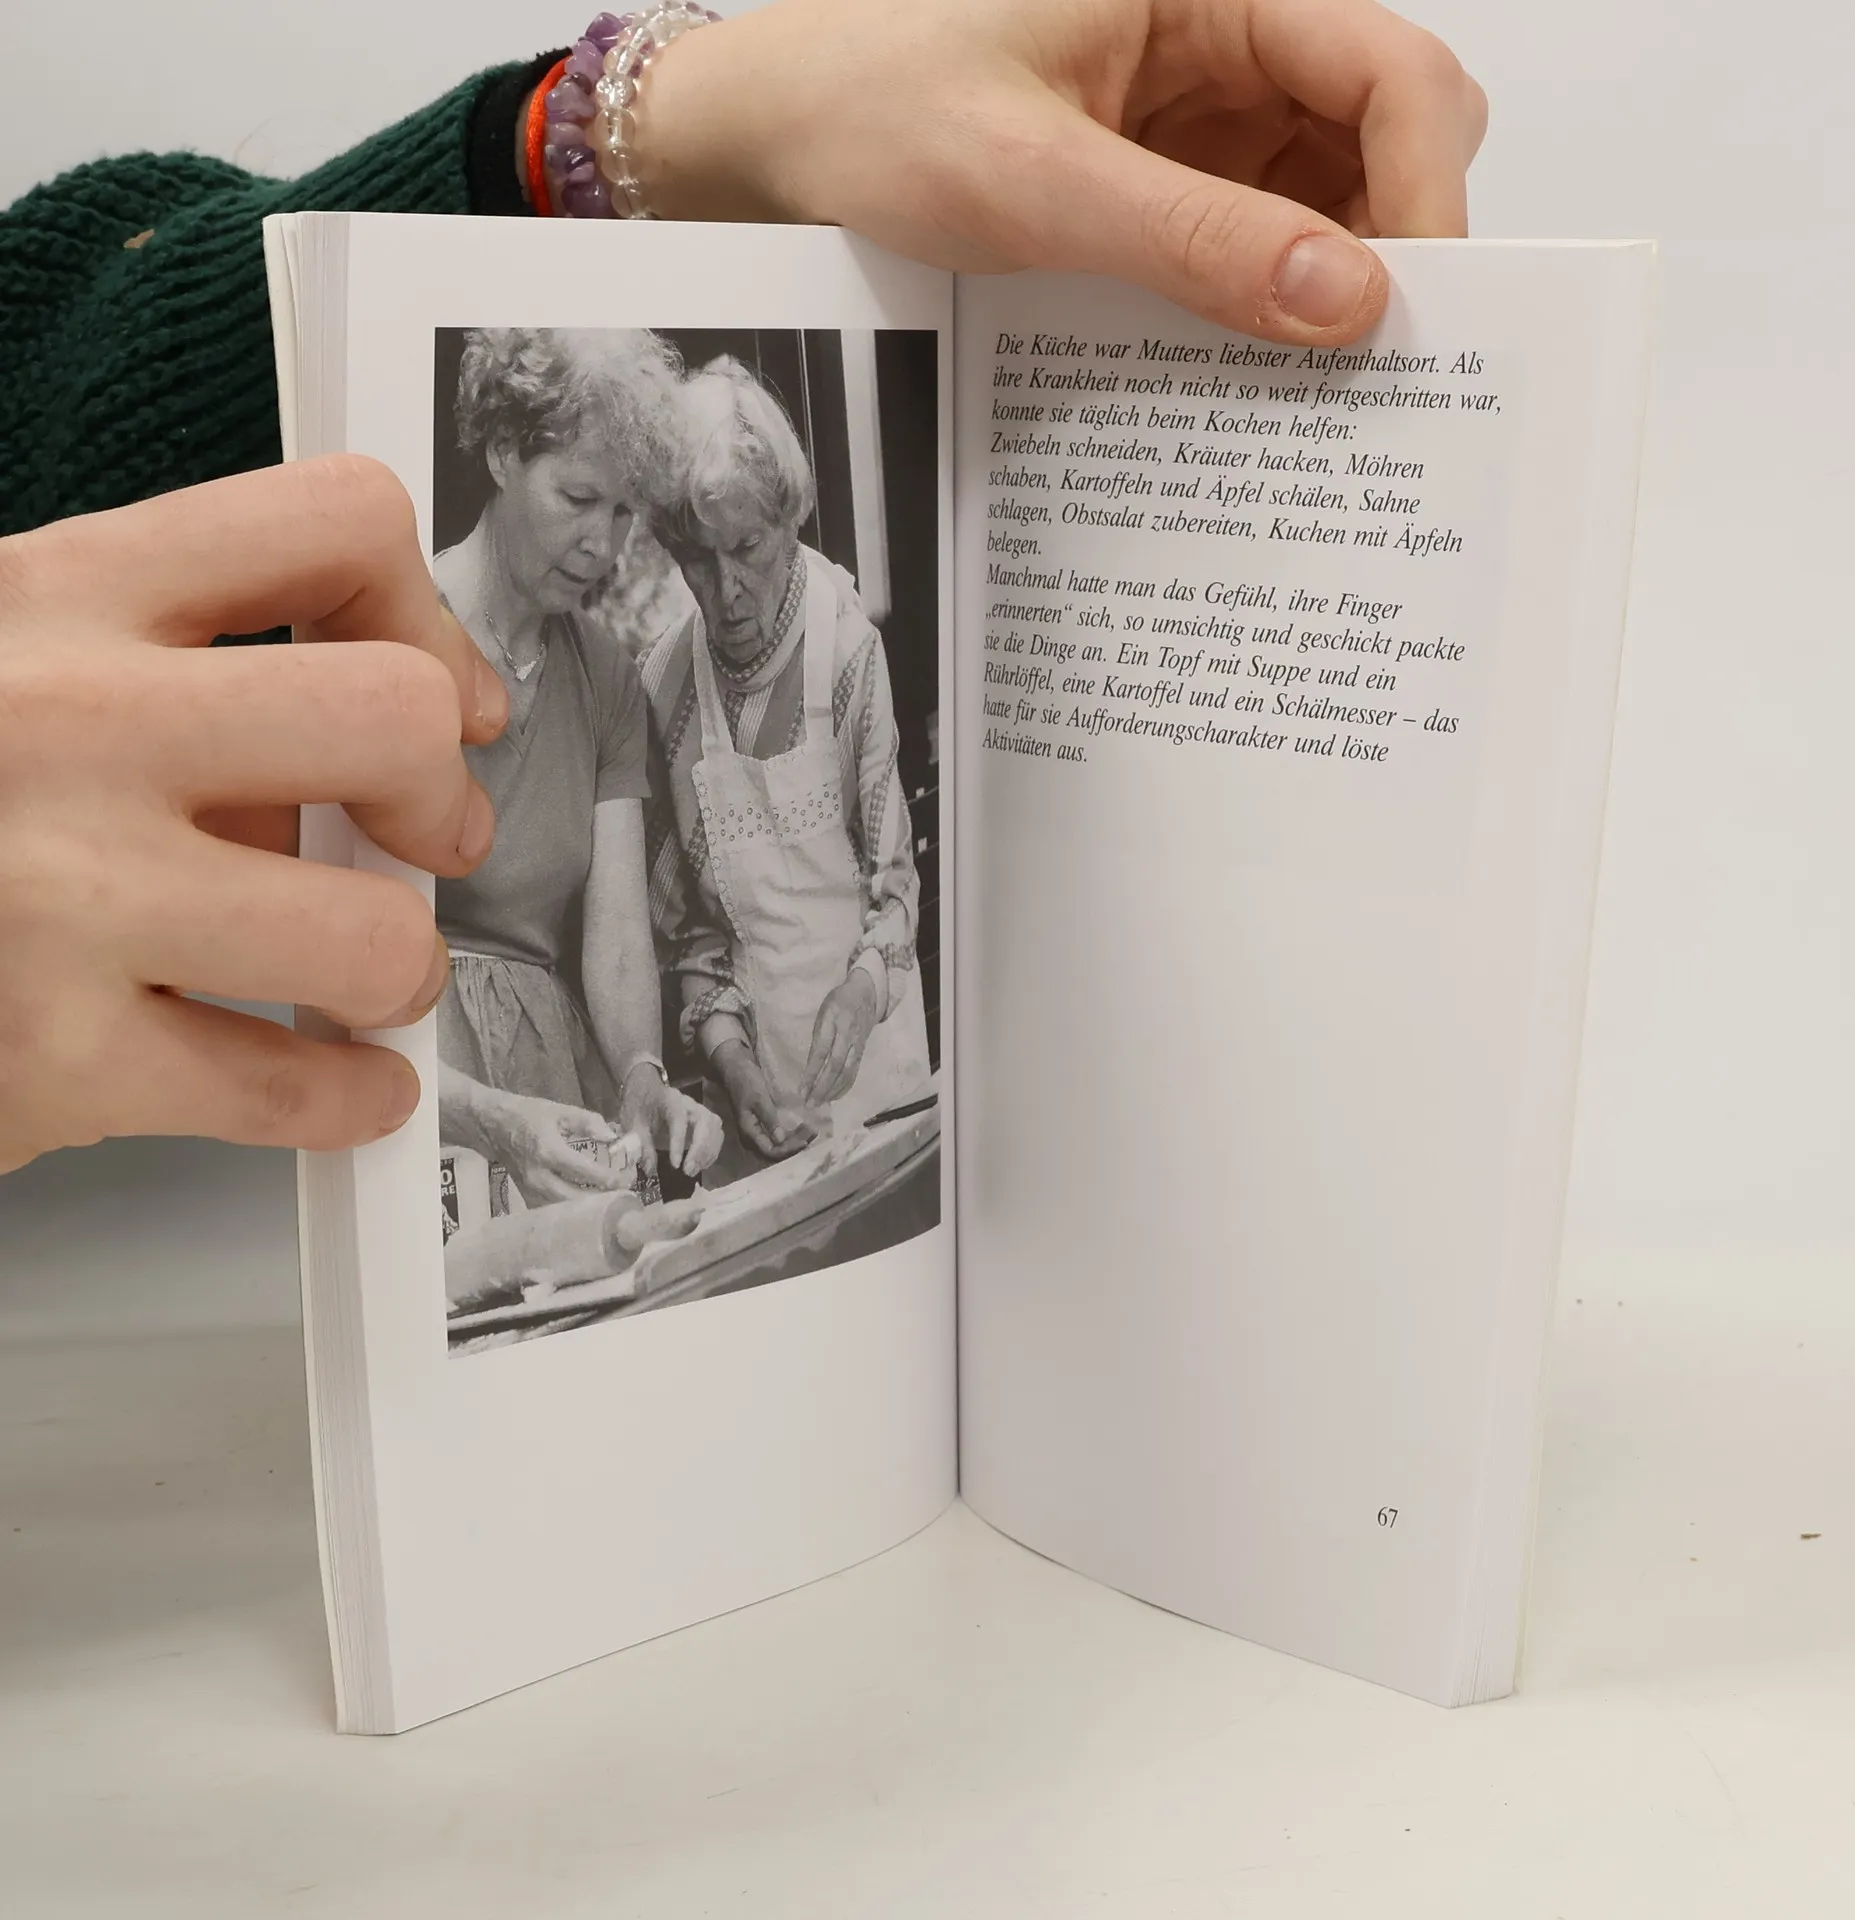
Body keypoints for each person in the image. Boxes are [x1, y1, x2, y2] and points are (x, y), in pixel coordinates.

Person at [0, 0, 1486, 1174]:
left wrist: (665, 1066)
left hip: (849, 1055)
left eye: (715, 538)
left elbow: (782, 894)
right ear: (502, 456)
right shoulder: (645, 666)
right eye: (659, 535)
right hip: (542, 1092)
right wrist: (715, 1050)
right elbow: (687, 921)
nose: (690, 577)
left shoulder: (759, 653)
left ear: (794, 518)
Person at [432, 327, 723, 1200]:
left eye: (625, 512)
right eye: (579, 497)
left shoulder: (606, 679)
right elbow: (354, 979)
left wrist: (641, 1077)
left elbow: (618, 934)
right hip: (429, 1082)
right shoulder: (399, 636)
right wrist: (487, 1118)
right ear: (502, 450)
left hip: (554, 1072)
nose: (605, 545)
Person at [645, 359, 931, 1178]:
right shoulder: (666, 690)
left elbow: (894, 888)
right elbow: (692, 939)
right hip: (759, 1103)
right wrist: (737, 1071)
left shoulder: (846, 650)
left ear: (787, 520)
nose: (727, 590)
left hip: (881, 1059)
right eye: (698, 560)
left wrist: (863, 990)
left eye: (747, 548)